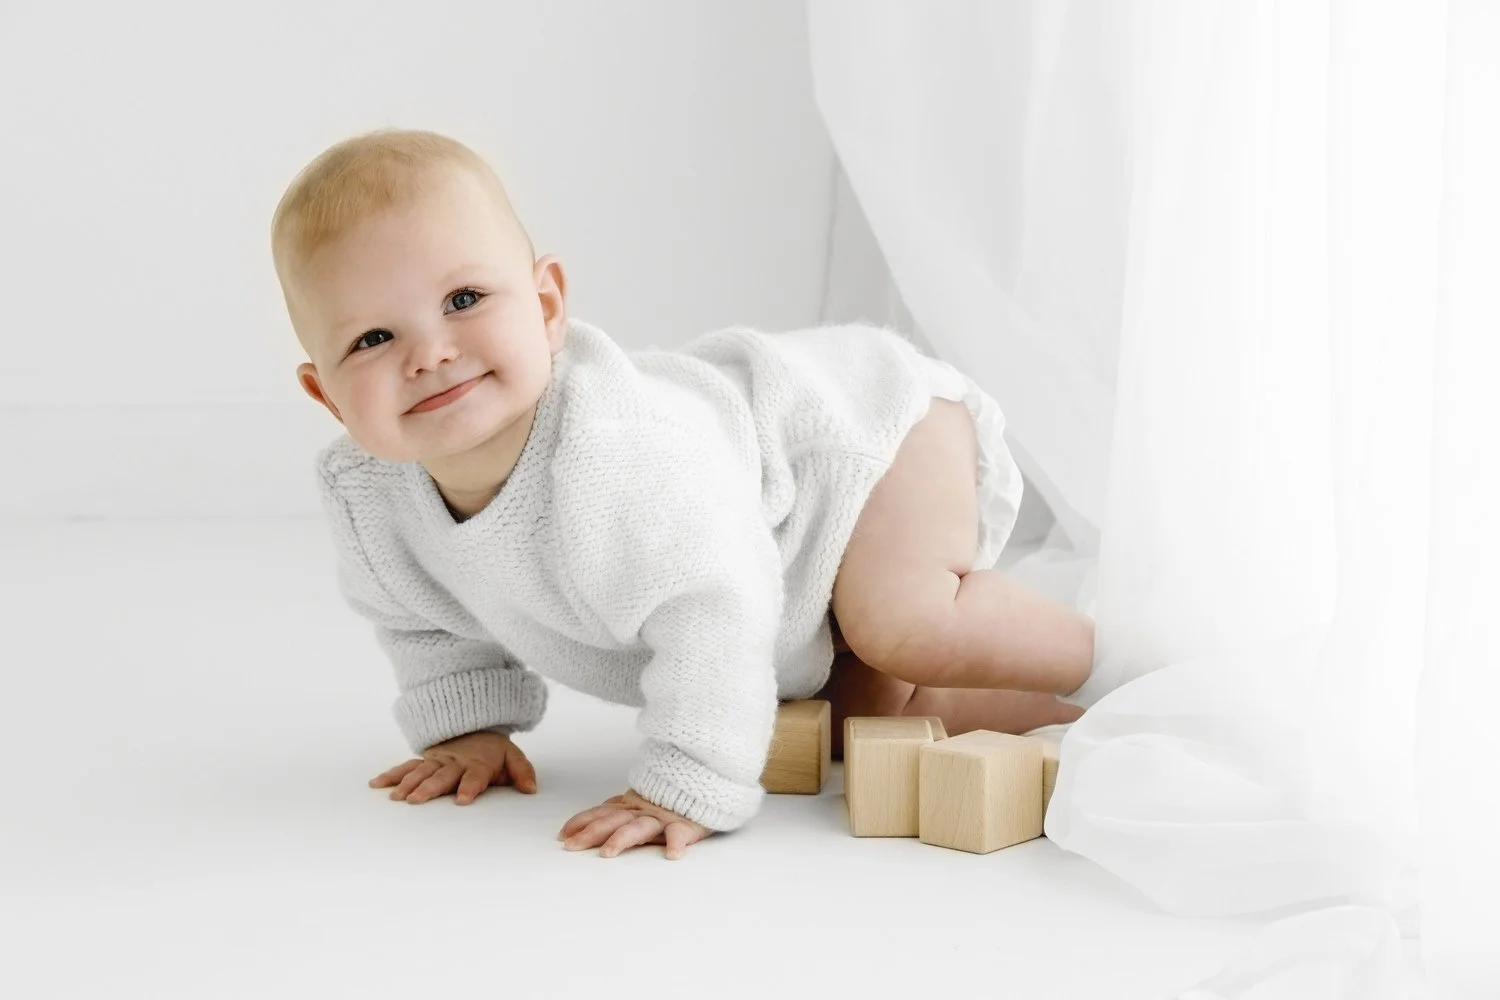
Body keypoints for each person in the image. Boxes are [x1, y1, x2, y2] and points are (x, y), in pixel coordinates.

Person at [272, 128, 1093, 861]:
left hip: (858, 436)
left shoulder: (618, 451)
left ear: (547, 305)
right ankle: (1070, 718)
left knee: (902, 623)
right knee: (863, 714)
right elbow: (424, 619)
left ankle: (1110, 661)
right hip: (784, 556)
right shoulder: (370, 497)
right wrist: (469, 729)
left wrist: (687, 779)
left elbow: (713, 607)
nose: (430, 353)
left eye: (464, 301)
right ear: (326, 394)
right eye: (373, 338)